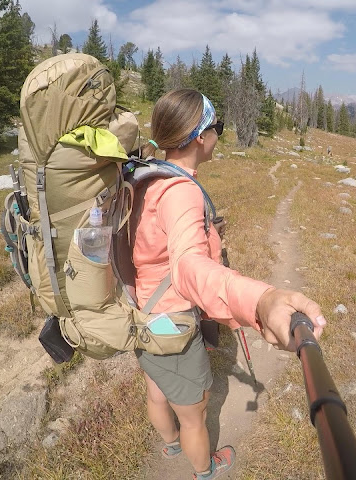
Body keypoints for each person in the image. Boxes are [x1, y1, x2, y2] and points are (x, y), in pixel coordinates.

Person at [134, 88, 326, 479]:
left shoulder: (147, 176)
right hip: (172, 317)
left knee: (156, 387)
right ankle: (204, 469)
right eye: (216, 126)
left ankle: (170, 443)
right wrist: (260, 299)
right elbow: (187, 266)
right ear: (200, 137)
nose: (219, 133)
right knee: (196, 412)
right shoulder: (181, 191)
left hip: (142, 308)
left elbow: (159, 243)